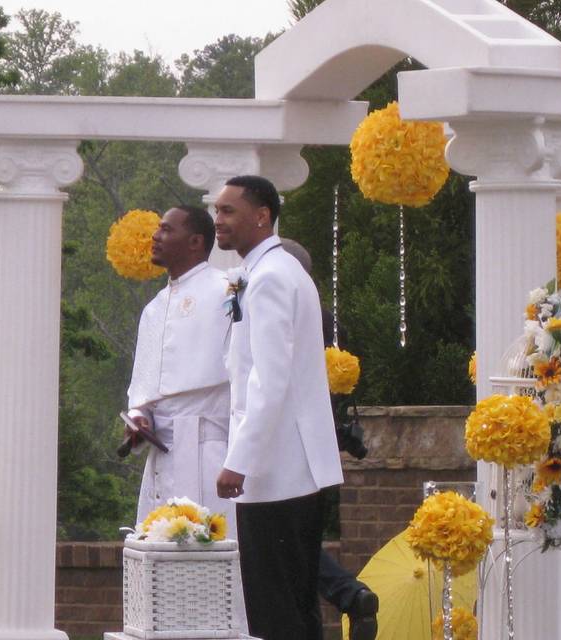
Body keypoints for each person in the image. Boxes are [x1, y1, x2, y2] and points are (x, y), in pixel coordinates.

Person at [214, 175, 344, 640]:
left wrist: (238, 461)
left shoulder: (270, 278)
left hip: (277, 469)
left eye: (229, 210)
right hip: (293, 467)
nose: (218, 219)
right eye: (217, 209)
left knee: (275, 608)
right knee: (295, 601)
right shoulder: (279, 271)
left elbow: (268, 380)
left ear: (262, 215)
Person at [281, 237, 379, 640]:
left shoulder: (289, 316)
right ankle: (347, 594)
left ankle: (343, 594)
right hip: (318, 444)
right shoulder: (325, 319)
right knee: (296, 540)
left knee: (283, 542)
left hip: (286, 444)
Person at [125, 205, 234, 527]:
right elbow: (142, 395)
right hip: (162, 456)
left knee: (214, 545)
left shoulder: (226, 290)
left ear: (195, 242)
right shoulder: (154, 308)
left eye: (167, 229)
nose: (156, 236)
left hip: (210, 450)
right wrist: (138, 419)